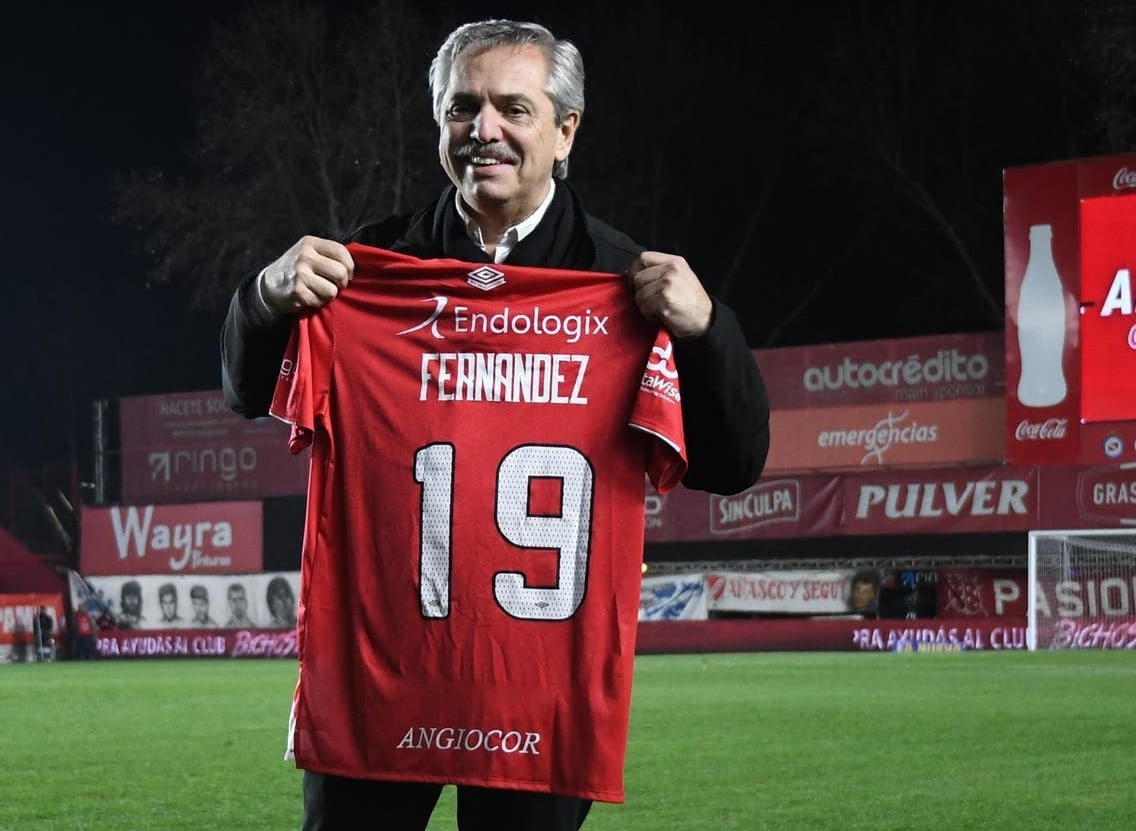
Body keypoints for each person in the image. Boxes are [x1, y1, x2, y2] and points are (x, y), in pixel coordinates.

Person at [220, 18, 768, 831]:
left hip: (535, 691)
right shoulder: (366, 270)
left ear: (565, 130)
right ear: (439, 123)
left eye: (513, 107)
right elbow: (243, 390)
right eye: (461, 109)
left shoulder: (626, 286)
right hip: (380, 673)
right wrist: (263, 297)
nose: (485, 131)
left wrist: (708, 328)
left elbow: (734, 462)